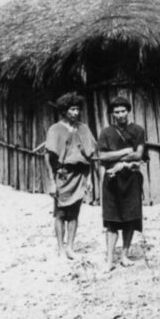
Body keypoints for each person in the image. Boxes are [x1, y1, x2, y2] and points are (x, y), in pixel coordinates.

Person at [44, 92, 96, 260]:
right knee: (60, 213)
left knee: (74, 213)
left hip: (80, 175)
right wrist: (52, 182)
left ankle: (70, 248)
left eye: (77, 109)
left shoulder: (84, 128)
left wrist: (89, 179)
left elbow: (90, 156)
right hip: (63, 175)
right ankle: (60, 247)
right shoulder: (55, 129)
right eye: (72, 109)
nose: (75, 113)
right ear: (64, 110)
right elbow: (48, 156)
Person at [97, 97, 146, 271]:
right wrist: (126, 151)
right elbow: (102, 156)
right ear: (112, 114)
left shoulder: (138, 130)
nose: (120, 115)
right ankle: (110, 260)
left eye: (123, 111)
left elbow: (139, 155)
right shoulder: (106, 133)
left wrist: (119, 159)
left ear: (128, 111)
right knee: (112, 220)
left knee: (130, 218)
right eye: (116, 112)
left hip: (131, 178)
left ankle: (124, 255)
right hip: (112, 180)